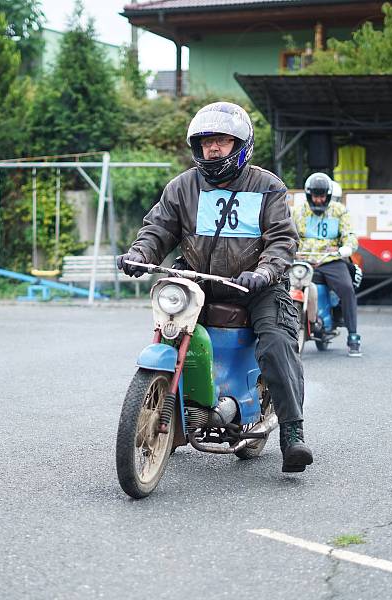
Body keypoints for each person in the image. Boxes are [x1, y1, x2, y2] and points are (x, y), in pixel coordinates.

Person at [117, 102, 313, 473]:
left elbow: (282, 240)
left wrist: (265, 273)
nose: (213, 149)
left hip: (257, 285)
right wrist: (139, 253)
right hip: (199, 279)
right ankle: (176, 414)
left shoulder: (267, 186)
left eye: (222, 141)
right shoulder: (184, 186)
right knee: (171, 331)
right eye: (207, 142)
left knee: (275, 342)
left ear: (242, 145)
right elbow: (158, 229)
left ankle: (292, 432)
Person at [292, 172, 362, 357]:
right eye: (315, 195)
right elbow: (288, 234)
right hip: (303, 259)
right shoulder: (298, 211)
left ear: (329, 195)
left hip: (330, 260)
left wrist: (346, 248)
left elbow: (349, 235)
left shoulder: (339, 211)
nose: (319, 199)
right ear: (308, 195)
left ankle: (353, 336)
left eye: (322, 195)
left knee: (347, 288)